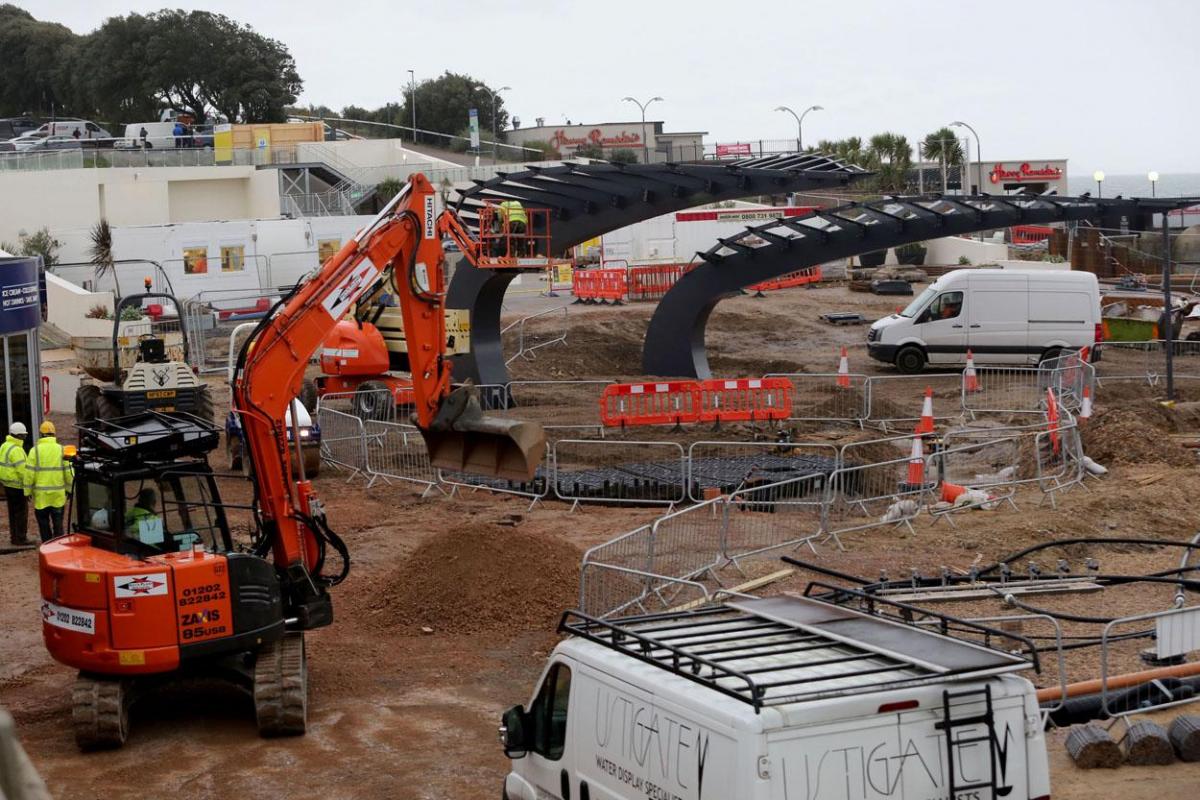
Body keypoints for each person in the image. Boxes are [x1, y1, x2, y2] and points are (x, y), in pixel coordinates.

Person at [24, 420, 73, 542]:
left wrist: (27, 491)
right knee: (58, 525)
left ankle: (47, 546)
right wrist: (70, 489)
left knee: (43, 525)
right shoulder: (63, 450)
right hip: (58, 496)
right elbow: (69, 473)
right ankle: (58, 547)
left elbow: (29, 474)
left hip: (41, 498)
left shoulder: (34, 451)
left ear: (41, 435)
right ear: (54, 434)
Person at [0, 422, 29, 545]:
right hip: (17, 486)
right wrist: (28, 488)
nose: (25, 437)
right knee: (21, 514)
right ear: (19, 436)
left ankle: (14, 537)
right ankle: (20, 538)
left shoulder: (5, 446)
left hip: (7, 485)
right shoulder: (16, 450)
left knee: (12, 513)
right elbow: (23, 471)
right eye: (23, 435)